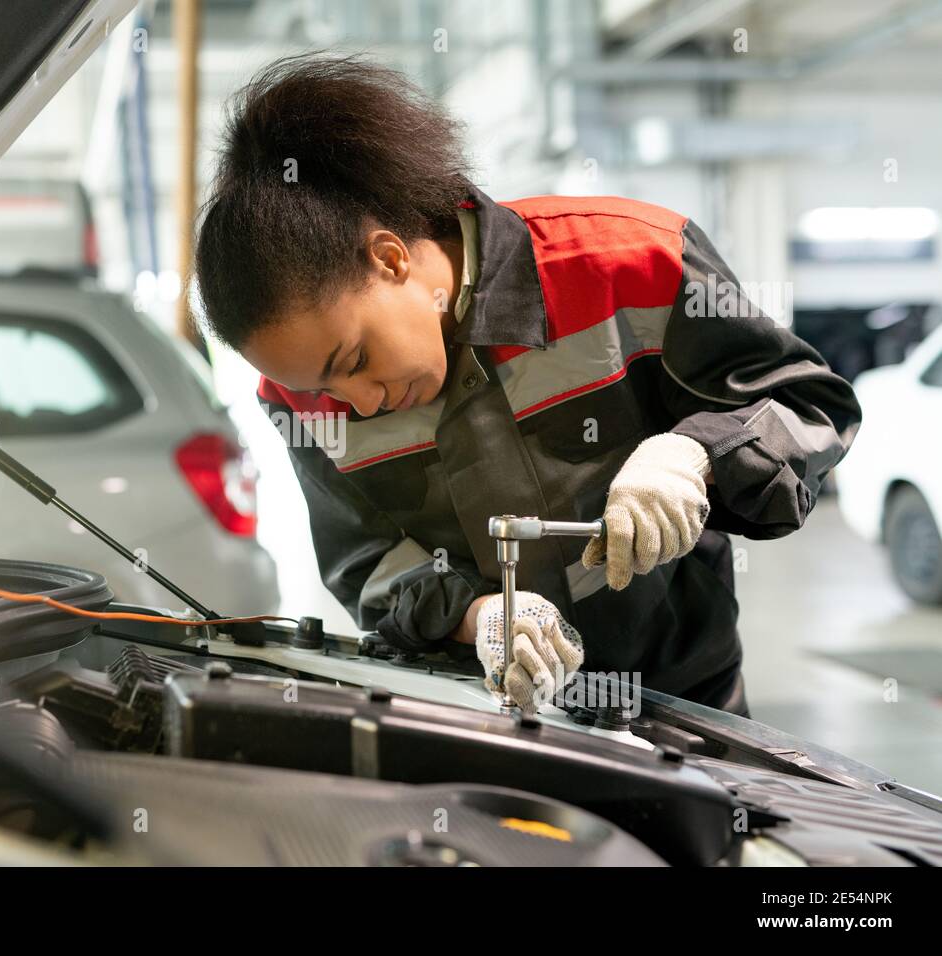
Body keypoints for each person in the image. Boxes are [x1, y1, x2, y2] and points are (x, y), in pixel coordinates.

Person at [193, 55, 861, 717]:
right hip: (480, 715)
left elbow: (808, 406)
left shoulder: (630, 264)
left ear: (390, 257)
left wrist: (696, 455)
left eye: (355, 358)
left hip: (681, 701)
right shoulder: (299, 396)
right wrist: (478, 616)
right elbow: (365, 563)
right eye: (324, 388)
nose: (356, 402)